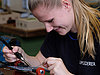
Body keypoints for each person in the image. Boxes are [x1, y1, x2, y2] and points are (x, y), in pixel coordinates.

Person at [3, 0, 100, 75]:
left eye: (50, 20)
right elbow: (39, 63)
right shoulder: (57, 31)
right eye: (43, 22)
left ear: (66, 5)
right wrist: (23, 57)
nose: (48, 29)